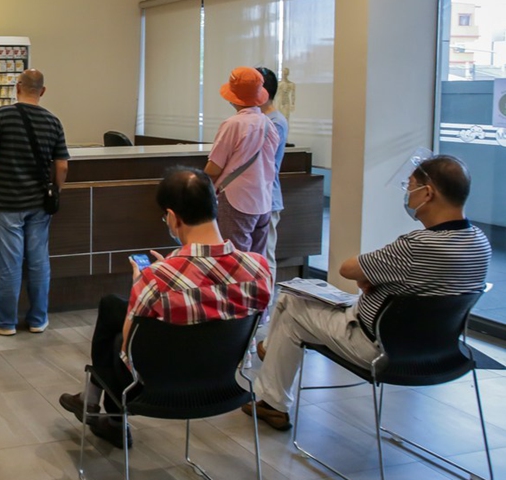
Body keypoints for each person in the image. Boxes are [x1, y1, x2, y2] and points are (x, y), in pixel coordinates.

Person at [245, 155, 491, 431]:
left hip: (378, 346)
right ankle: (271, 356)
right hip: (439, 349)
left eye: (410, 186)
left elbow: (349, 268)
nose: (408, 194)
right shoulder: (479, 244)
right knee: (304, 295)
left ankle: (272, 401)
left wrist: (369, 279)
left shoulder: (416, 245)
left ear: (428, 192)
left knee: (292, 304)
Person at [58, 166, 272, 449]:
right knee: (113, 305)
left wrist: (141, 284)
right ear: (215, 205)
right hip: (223, 382)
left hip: (159, 389)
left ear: (172, 217)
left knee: (114, 325)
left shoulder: (157, 279)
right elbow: (211, 295)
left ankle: (105, 412)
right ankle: (99, 410)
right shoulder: (259, 268)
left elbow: (126, 354)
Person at [0, 69, 69, 336]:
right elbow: (61, 166)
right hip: (39, 203)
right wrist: (55, 192)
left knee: (10, 264)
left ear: (18, 88)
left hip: (6, 202)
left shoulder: (1, 116)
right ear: (43, 91)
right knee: (39, 261)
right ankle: (38, 319)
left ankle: (5, 322)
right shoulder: (53, 121)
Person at [204, 66, 280, 255]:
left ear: (232, 96)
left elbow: (214, 167)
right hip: (263, 201)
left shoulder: (233, 124)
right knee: (256, 262)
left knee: (234, 261)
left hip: (236, 201)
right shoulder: (269, 123)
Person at [257, 67, 289, 291]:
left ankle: (264, 306)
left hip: (267, 197)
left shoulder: (274, 122)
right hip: (257, 196)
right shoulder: (259, 118)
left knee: (265, 255)